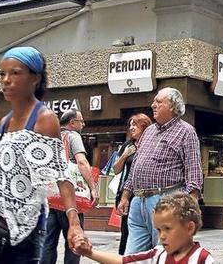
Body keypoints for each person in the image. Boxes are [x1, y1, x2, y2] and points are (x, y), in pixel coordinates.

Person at [0, 46, 87, 263]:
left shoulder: (44, 118)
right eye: (3, 73)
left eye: (15, 73)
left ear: (35, 78)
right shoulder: (4, 122)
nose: (6, 80)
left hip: (23, 230)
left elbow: (61, 175)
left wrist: (74, 222)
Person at [118, 87, 203, 254]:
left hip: (165, 201)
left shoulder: (186, 131)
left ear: (172, 106)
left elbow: (193, 172)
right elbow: (135, 165)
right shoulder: (149, 131)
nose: (153, 105)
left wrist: (191, 208)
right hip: (138, 203)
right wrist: (126, 195)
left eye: (158, 102)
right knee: (132, 257)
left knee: (165, 255)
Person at [78, 192, 214, 263]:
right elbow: (124, 261)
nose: (162, 236)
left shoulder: (202, 259)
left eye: (168, 229)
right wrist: (89, 253)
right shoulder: (158, 254)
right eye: (159, 230)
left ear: (189, 228)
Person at [41, 109, 99, 264]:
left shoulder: (50, 138)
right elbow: (81, 162)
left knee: (48, 242)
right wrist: (93, 188)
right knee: (74, 241)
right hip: (70, 198)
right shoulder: (73, 136)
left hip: (50, 197)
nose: (83, 124)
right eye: (81, 121)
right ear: (72, 123)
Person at [113, 113, 152, 254]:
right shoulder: (128, 145)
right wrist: (125, 155)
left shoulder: (151, 144)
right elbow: (116, 169)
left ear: (144, 127)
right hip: (126, 193)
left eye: (135, 125)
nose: (131, 128)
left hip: (145, 192)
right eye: (130, 125)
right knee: (126, 229)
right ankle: (125, 256)